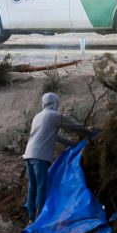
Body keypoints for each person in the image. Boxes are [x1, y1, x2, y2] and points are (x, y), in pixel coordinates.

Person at [23, 92, 94, 222]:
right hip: (40, 157)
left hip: (29, 155)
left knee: (32, 187)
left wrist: (75, 145)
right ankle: (40, 218)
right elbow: (73, 126)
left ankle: (31, 218)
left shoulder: (37, 116)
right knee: (41, 187)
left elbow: (56, 137)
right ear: (55, 103)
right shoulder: (54, 115)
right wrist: (89, 133)